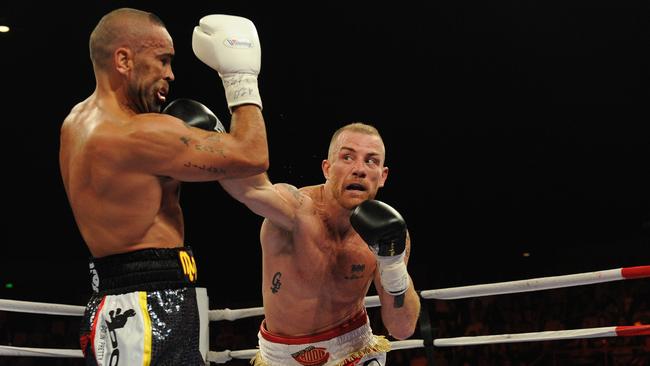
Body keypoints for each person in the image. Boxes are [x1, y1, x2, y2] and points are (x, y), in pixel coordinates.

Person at [59, 8, 267, 365]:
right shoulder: (138, 134)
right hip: (149, 305)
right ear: (123, 59)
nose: (170, 74)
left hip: (117, 300)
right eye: (162, 60)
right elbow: (253, 154)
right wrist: (240, 77)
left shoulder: (76, 121)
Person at [219, 122, 421, 366]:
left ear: (383, 176)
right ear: (327, 168)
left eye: (371, 161)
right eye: (347, 157)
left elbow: (402, 328)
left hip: (355, 350)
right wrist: (217, 140)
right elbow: (248, 189)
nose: (359, 169)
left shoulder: (388, 234)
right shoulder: (294, 209)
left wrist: (393, 266)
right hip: (283, 357)